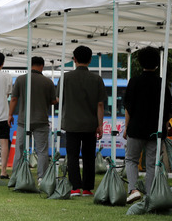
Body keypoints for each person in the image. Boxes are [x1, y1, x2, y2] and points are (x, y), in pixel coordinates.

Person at [122, 47, 172, 203]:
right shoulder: (162, 83)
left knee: (131, 160)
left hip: (136, 128)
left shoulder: (134, 81)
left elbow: (128, 107)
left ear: (139, 62)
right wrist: (164, 127)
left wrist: (126, 126)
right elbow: (168, 110)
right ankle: (150, 195)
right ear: (157, 64)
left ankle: (133, 189)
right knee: (152, 163)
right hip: (155, 130)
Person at [58, 46, 106, 197]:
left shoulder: (65, 77)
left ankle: (74, 187)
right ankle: (87, 188)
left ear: (74, 59)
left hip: (71, 123)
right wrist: (99, 125)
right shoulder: (97, 79)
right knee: (88, 156)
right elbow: (100, 104)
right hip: (90, 124)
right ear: (90, 60)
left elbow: (59, 100)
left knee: (72, 155)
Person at [9, 56, 58, 180]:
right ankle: (42, 178)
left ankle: (16, 177)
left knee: (20, 149)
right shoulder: (48, 82)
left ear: (30, 65)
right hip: (41, 120)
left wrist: (9, 114)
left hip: (23, 120)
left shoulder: (21, 79)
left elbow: (14, 99)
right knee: (42, 150)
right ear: (42, 65)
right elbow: (53, 101)